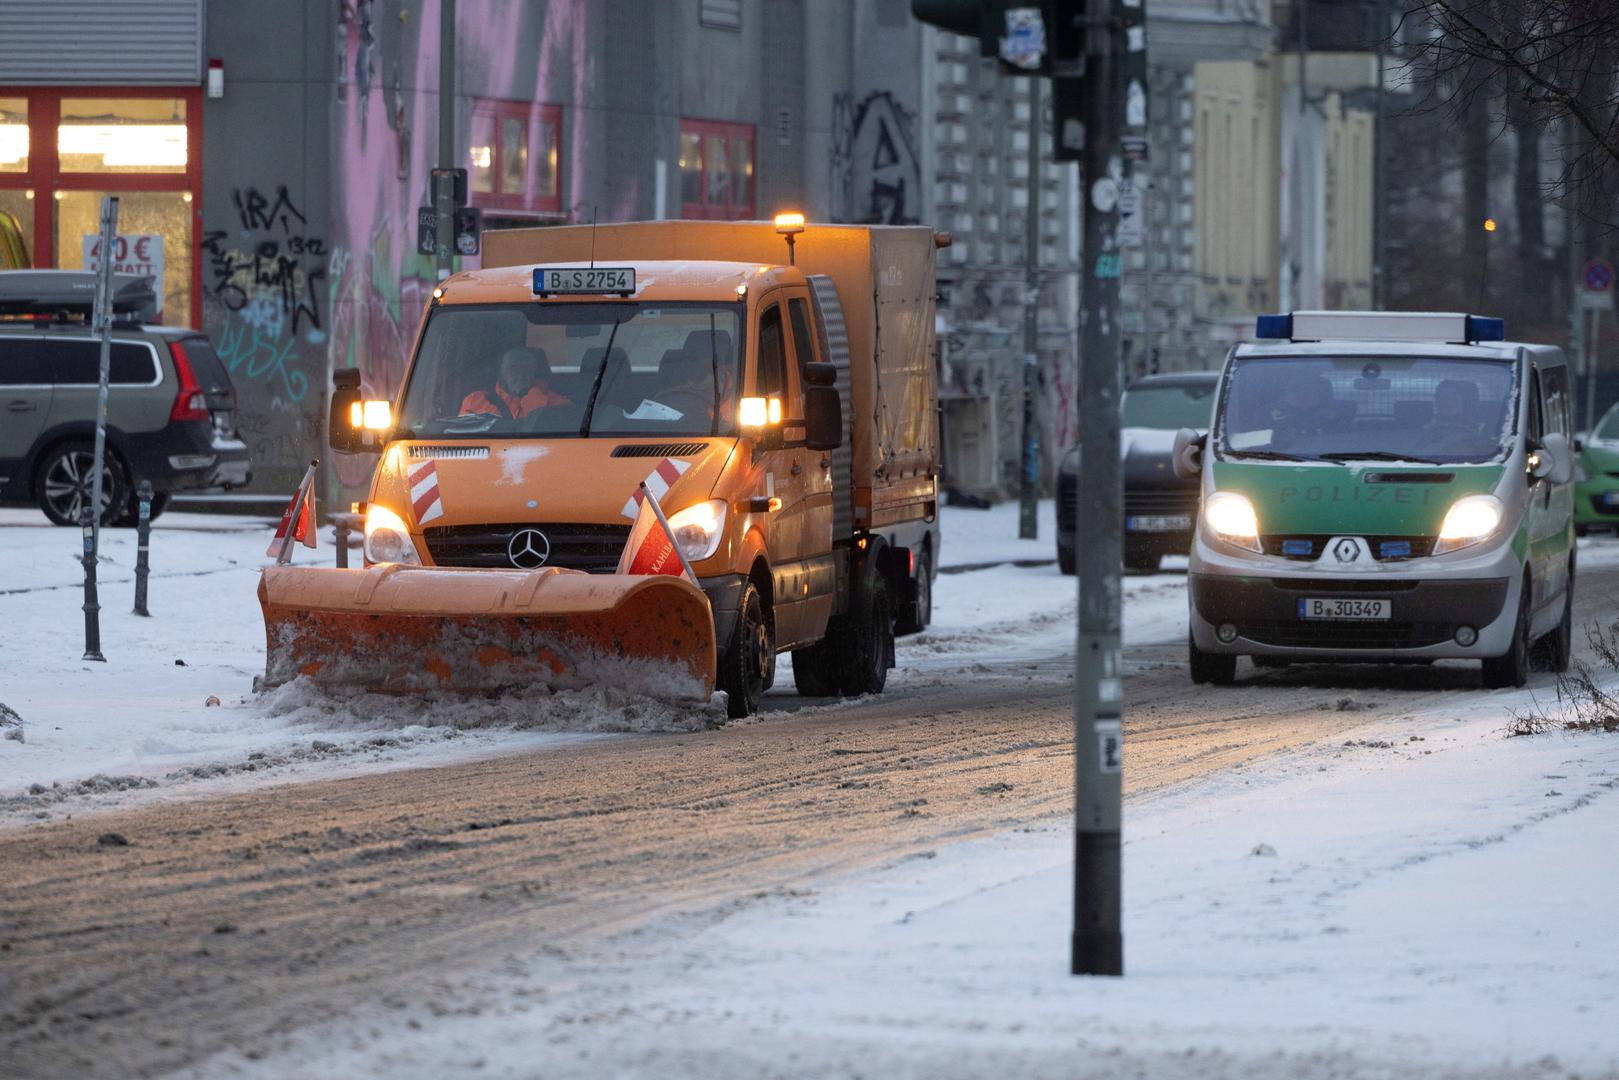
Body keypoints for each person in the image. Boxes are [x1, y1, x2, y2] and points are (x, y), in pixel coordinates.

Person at [459, 346, 568, 420]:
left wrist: (533, 397)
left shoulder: (557, 403)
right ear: (502, 374)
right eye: (513, 368)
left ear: (534, 373)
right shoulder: (475, 400)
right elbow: (461, 439)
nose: (521, 375)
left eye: (526, 368)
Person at [1270, 371, 1338, 438]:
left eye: (1307, 389)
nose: (1302, 394)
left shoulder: (1337, 417)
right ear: (1285, 394)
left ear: (1318, 393)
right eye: (1295, 389)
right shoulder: (1272, 417)